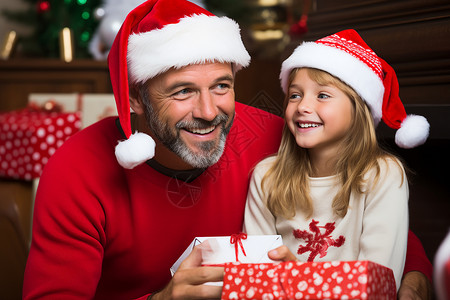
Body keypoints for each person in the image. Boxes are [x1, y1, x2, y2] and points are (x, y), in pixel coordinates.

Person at [22, 0, 432, 298]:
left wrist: (413, 276)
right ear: (134, 99)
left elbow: (371, 210)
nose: (208, 112)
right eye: (183, 91)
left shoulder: (276, 137)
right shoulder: (78, 170)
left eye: (222, 85)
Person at [243, 29, 430, 291]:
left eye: (322, 95)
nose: (302, 106)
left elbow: (378, 283)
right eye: (295, 95)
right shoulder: (266, 176)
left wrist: (294, 276)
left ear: (358, 108)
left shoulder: (383, 175)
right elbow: (255, 281)